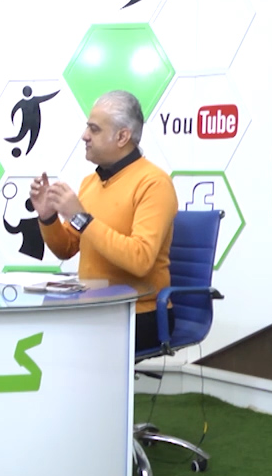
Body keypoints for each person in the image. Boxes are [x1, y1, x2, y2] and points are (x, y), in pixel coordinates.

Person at [30, 90, 178, 353]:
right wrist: (48, 216)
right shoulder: (90, 183)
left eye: (94, 129)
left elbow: (140, 260)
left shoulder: (154, 183)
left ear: (122, 137)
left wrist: (80, 217)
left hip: (139, 313)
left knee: (58, 343)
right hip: (94, 306)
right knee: (38, 331)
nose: (84, 136)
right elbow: (66, 248)